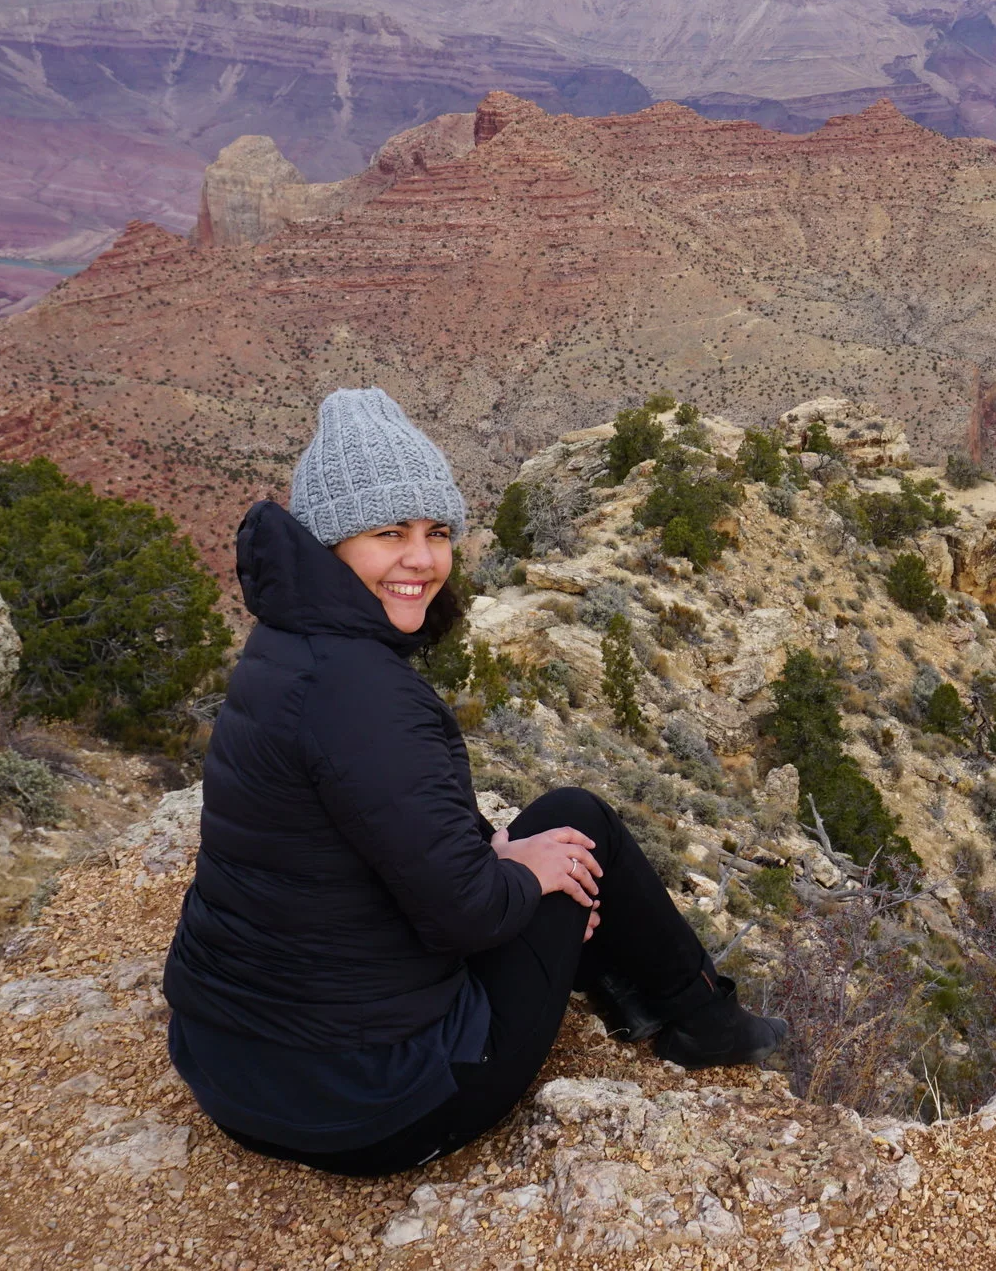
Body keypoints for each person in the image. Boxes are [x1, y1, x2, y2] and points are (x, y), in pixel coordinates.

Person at [163, 388, 785, 1176]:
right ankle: (704, 1023)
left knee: (538, 850)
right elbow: (467, 910)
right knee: (577, 824)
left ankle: (636, 997)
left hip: (231, 1070)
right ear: (331, 542)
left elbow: (353, 841)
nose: (422, 559)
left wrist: (499, 862)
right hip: (371, 1104)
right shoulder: (365, 694)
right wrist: (525, 887)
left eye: (436, 531)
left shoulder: (285, 647)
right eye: (389, 532)